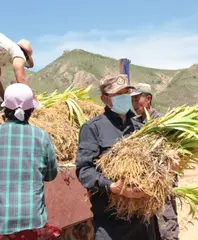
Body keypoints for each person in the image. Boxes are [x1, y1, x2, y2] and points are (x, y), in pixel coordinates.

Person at [0, 83, 61, 240]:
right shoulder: (42, 137)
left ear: (5, 109)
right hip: (32, 221)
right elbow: (51, 175)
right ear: (31, 111)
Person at [75, 74, 160, 240]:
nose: (125, 98)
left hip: (142, 221)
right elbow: (84, 170)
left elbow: (155, 163)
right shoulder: (92, 128)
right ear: (105, 99)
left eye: (126, 93)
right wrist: (113, 186)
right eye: (118, 94)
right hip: (111, 225)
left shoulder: (141, 128)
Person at [131, 83, 179, 240]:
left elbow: (173, 152)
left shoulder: (162, 122)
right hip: (143, 184)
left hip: (161, 183)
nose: (134, 103)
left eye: (137, 99)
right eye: (132, 100)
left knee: (165, 224)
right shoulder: (135, 123)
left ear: (148, 98)